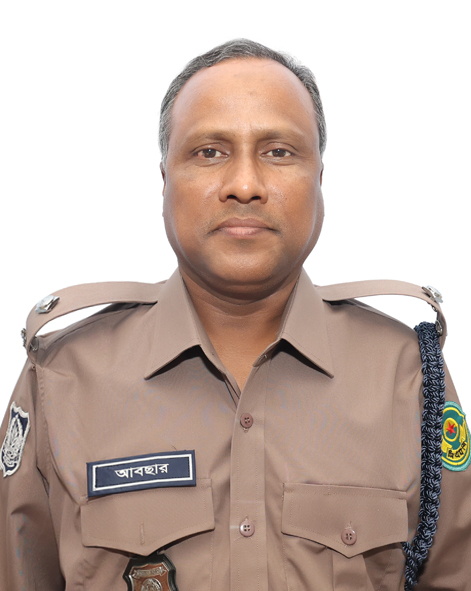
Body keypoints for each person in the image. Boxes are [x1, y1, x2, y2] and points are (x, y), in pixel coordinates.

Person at [0, 38, 469, 591]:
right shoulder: (62, 377)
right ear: (165, 180)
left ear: (320, 179)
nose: (244, 186)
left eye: (279, 152)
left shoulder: (407, 375)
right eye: (209, 152)